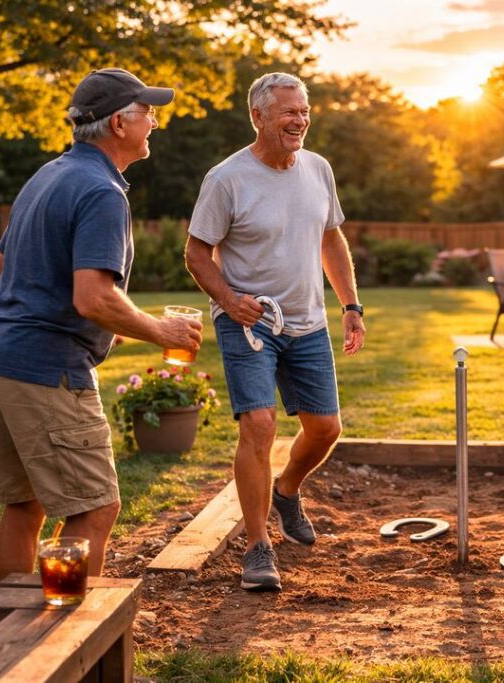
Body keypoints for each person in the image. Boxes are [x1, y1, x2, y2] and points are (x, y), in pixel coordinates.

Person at [0, 68, 203, 582]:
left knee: (25, 505)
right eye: (148, 113)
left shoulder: (48, 175)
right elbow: (93, 296)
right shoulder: (102, 191)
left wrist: (95, 319)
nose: (155, 122)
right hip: (46, 370)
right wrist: (158, 331)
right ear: (120, 123)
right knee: (94, 509)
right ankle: (67, 643)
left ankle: (10, 634)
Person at [184, 72, 365, 592]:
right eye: (288, 111)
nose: (299, 120)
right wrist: (226, 299)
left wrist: (350, 305)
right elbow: (196, 253)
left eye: (304, 110)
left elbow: (332, 241)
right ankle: (258, 545)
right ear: (258, 116)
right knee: (259, 426)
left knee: (326, 429)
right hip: (249, 322)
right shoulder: (227, 179)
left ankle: (287, 489)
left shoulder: (318, 169)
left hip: (307, 320)